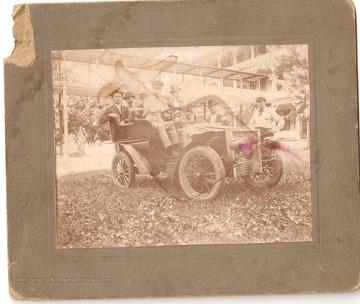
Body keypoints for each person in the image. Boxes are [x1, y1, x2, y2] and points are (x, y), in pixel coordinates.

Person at [143, 80, 180, 155]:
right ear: (152, 89)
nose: (157, 91)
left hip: (160, 120)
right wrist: (160, 109)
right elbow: (151, 108)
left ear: (161, 90)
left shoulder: (162, 100)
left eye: (159, 89)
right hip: (150, 121)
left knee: (171, 123)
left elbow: (165, 111)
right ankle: (168, 148)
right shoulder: (147, 98)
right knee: (161, 126)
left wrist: (170, 113)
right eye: (155, 89)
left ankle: (176, 146)